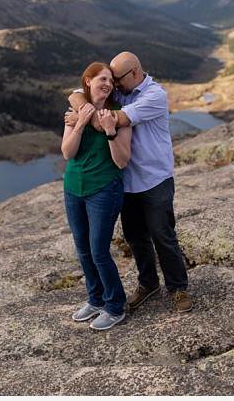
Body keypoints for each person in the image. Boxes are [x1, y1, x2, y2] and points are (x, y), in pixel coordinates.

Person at [67, 52, 193, 314]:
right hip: (127, 181)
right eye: (110, 79)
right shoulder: (122, 91)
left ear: (134, 73)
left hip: (154, 178)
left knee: (162, 234)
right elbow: (77, 93)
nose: (113, 84)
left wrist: (83, 118)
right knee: (136, 238)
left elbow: (116, 121)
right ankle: (148, 284)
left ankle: (178, 287)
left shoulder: (154, 96)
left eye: (117, 79)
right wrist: (82, 107)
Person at [61, 61, 133, 331]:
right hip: (74, 186)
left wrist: (112, 132)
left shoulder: (119, 115)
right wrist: (80, 122)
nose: (107, 84)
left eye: (111, 81)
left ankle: (115, 306)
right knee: (82, 249)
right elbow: (67, 153)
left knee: (99, 250)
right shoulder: (75, 110)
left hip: (104, 187)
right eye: (102, 79)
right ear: (88, 81)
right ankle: (96, 299)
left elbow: (123, 161)